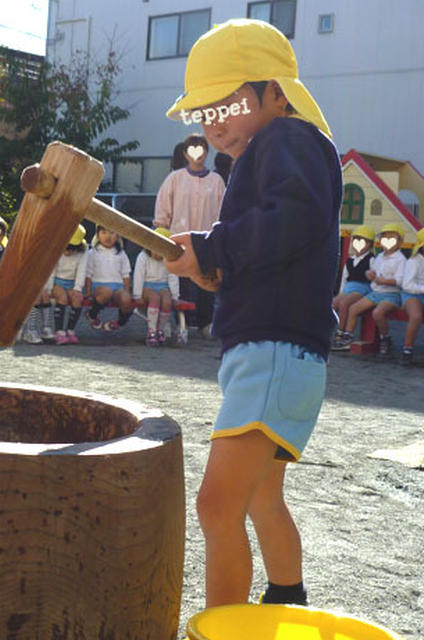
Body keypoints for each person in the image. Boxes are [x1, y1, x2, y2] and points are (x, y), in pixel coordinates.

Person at [163, 19, 341, 608]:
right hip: (280, 352)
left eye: (229, 104)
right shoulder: (274, 149)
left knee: (217, 504)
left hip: (274, 351)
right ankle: (285, 601)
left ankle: (227, 626)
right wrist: (213, 264)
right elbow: (275, 240)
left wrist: (214, 248)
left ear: (276, 93)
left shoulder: (286, 141)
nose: (214, 126)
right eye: (205, 115)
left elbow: (290, 221)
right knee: (262, 498)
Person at [154, 132, 225, 338]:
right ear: (185, 153)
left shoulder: (216, 180)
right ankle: (180, 323)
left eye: (202, 149)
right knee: (180, 285)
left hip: (207, 241)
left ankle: (206, 323)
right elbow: (163, 207)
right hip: (179, 241)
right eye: (193, 149)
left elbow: (224, 210)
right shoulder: (175, 179)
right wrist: (161, 230)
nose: (198, 154)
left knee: (206, 283)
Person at [333, 223, 406, 355]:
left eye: (392, 239)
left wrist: (384, 281)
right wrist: (370, 274)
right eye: (384, 239)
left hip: (391, 294)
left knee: (377, 313)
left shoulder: (400, 259)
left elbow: (401, 281)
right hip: (375, 292)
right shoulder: (379, 257)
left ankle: (385, 338)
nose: (387, 242)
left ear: (399, 242)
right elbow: (372, 272)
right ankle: (347, 337)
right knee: (353, 308)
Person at [132, 227, 180, 346]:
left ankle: (160, 329)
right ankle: (151, 331)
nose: (158, 254)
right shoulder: (143, 257)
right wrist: (137, 294)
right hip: (147, 286)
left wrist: (175, 296)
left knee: (167, 301)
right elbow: (138, 276)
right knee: (154, 298)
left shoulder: (169, 260)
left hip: (163, 286)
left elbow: (173, 277)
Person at [45, 224, 89, 344]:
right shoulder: (55, 249)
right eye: (66, 248)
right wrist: (49, 288)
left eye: (72, 248)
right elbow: (51, 270)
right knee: (62, 298)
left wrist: (78, 288)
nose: (68, 252)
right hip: (57, 282)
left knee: (77, 299)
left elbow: (82, 270)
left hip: (72, 282)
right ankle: (59, 331)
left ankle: (70, 330)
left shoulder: (84, 251)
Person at [84, 225, 133, 332]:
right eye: (104, 233)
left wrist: (127, 291)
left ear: (118, 236)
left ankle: (119, 323)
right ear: (97, 235)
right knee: (106, 293)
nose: (108, 237)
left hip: (117, 287)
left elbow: (126, 275)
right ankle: (92, 314)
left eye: (112, 233)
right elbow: (88, 274)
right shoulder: (92, 253)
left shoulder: (121, 253)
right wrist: (87, 292)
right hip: (98, 286)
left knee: (126, 300)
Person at [332, 225, 375, 343]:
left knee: (345, 303)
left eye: (364, 242)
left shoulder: (371, 259)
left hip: (362, 288)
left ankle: (342, 332)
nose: (359, 245)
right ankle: (327, 329)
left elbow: (374, 276)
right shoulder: (350, 260)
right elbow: (344, 279)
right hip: (349, 288)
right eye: (356, 241)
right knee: (334, 303)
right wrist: (341, 292)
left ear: (370, 244)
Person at [397, 228, 424, 365]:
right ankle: (407, 349)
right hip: (411, 294)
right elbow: (407, 285)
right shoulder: (413, 262)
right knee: (416, 316)